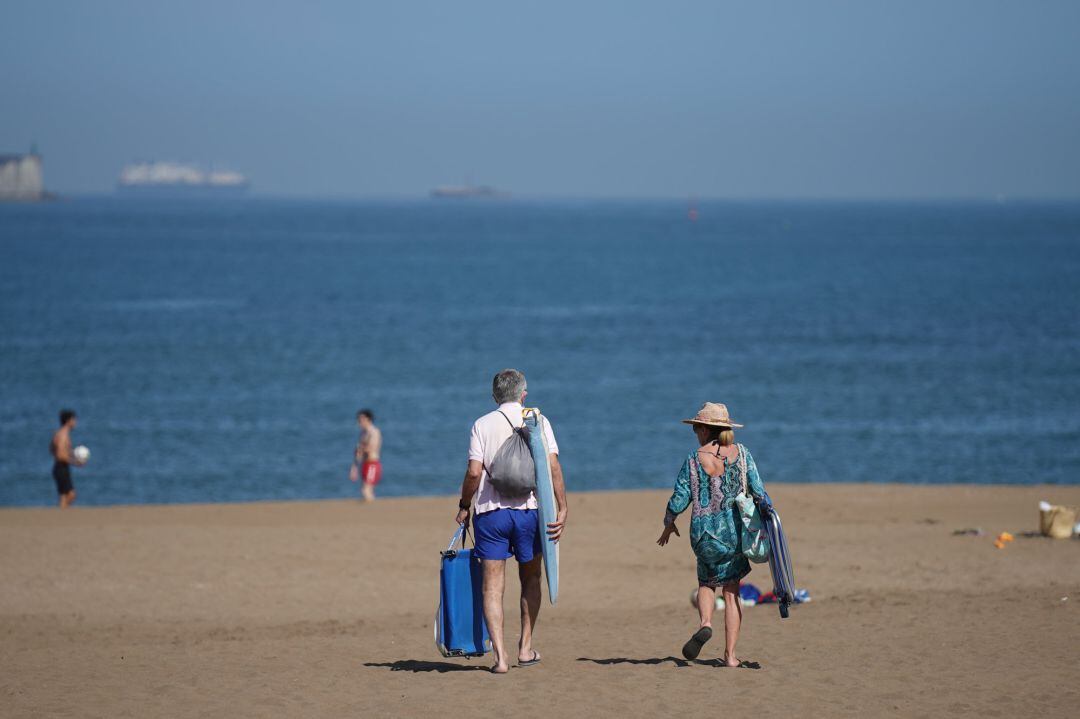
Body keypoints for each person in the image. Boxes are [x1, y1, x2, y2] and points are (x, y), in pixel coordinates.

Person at [455, 369, 568, 674]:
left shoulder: (481, 424)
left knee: (492, 587)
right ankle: (525, 648)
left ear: (494, 396)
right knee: (530, 579)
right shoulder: (539, 422)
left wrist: (465, 505)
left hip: (491, 514)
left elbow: (474, 473)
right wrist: (563, 506)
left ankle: (501, 658)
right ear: (523, 395)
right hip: (531, 512)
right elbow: (552, 465)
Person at [657, 402, 765, 667]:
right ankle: (730, 656)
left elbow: (679, 498)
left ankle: (705, 623)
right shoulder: (742, 454)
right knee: (731, 592)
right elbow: (759, 491)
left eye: (696, 428)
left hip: (703, 535)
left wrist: (669, 522)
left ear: (706, 429)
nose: (695, 432)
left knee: (706, 584)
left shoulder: (694, 459)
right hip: (733, 535)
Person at [49, 409, 85, 508]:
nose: (75, 422)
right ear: (68, 421)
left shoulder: (58, 433)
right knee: (70, 495)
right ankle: (61, 514)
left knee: (64, 495)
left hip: (60, 467)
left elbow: (52, 449)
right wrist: (75, 462)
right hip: (61, 467)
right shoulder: (63, 435)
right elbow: (60, 455)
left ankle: (62, 513)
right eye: (74, 420)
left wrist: (72, 455)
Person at [351, 409, 382, 502]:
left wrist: (361, 449)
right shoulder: (363, 433)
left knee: (366, 490)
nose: (359, 422)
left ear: (368, 419)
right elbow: (359, 453)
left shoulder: (374, 432)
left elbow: (373, 447)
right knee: (366, 491)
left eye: (361, 420)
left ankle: (372, 511)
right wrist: (354, 468)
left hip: (372, 464)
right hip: (364, 465)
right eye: (358, 420)